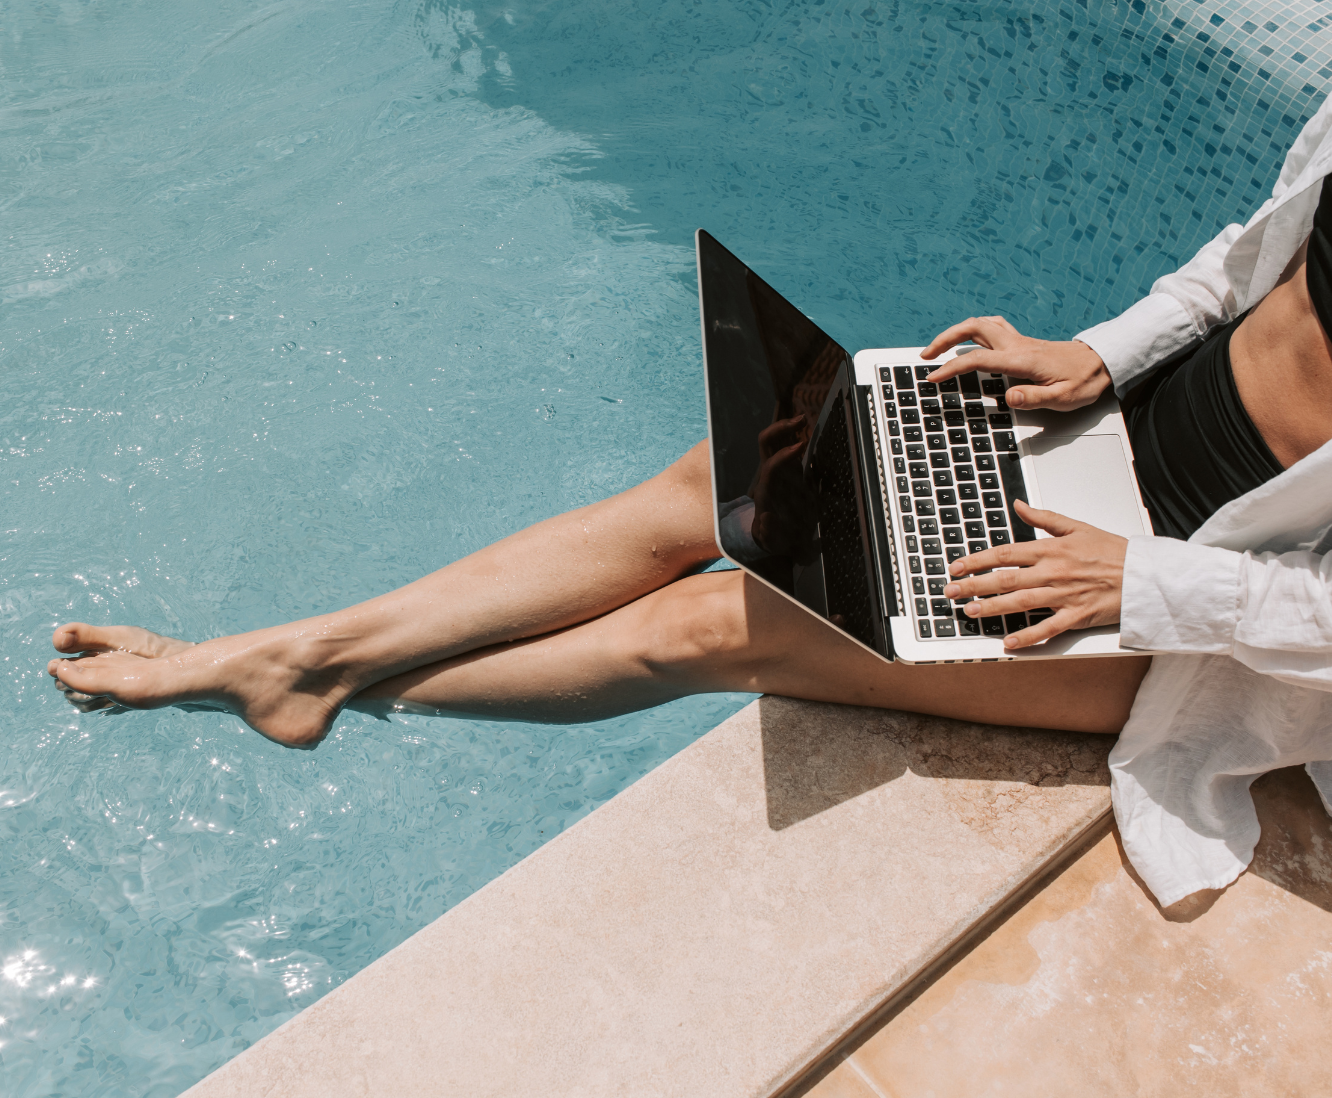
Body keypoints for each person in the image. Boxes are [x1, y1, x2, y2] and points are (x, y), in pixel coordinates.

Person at [49, 99, 1332, 908]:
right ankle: (301, 658)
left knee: (724, 625)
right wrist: (1106, 352)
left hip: (1193, 608)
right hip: (1109, 430)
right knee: (715, 485)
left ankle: (312, 679)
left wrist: (1140, 585)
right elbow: (1249, 256)